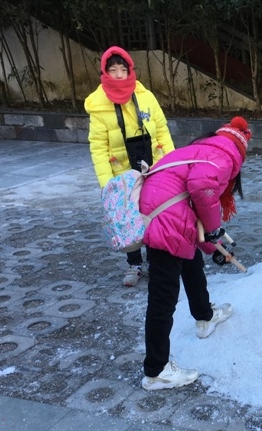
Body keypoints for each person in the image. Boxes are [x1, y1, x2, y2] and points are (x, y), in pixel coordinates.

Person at [138, 117, 252, 390]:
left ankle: (205, 317)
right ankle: (156, 371)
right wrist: (214, 230)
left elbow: (194, 210)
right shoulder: (225, 156)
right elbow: (202, 189)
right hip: (166, 218)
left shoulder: (198, 149)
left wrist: (213, 248)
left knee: (191, 262)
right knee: (163, 296)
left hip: (158, 210)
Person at [84, 46, 175, 287]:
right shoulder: (98, 105)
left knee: (156, 216)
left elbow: (162, 130)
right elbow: (98, 147)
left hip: (153, 167)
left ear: (129, 71)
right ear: (105, 72)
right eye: (112, 70)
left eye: (122, 70)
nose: (118, 75)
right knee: (127, 219)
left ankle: (157, 262)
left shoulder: (146, 96)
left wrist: (172, 162)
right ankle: (134, 265)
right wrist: (107, 184)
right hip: (121, 173)